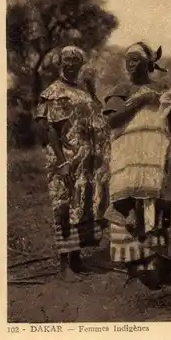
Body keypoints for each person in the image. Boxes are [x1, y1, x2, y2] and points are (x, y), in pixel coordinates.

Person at [103, 42, 171, 289]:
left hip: (154, 155)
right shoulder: (122, 89)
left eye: (136, 59)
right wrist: (138, 101)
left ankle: (155, 260)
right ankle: (133, 262)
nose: (130, 64)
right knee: (129, 204)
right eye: (128, 60)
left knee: (153, 203)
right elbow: (112, 121)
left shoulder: (163, 88)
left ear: (149, 63)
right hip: (128, 156)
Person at [35, 45, 111, 282]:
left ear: (81, 64)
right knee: (64, 206)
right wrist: (62, 162)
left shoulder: (83, 90)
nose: (70, 63)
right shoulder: (53, 91)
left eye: (75, 60)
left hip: (86, 161)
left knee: (81, 205)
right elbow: (48, 129)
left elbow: (96, 117)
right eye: (66, 59)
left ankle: (77, 259)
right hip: (66, 159)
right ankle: (65, 265)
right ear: (60, 63)